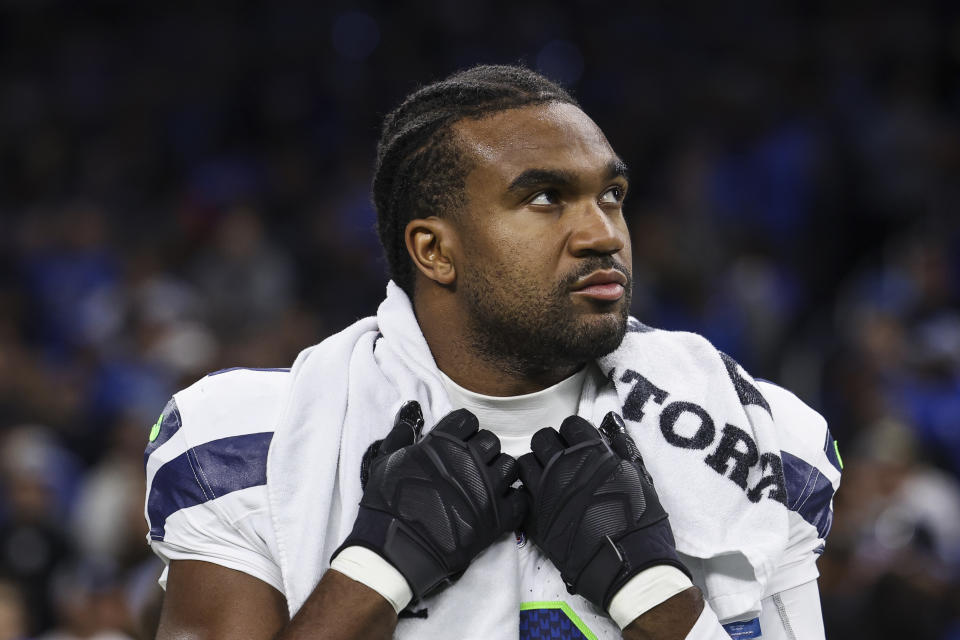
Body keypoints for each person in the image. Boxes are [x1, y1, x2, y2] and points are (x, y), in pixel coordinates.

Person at [143, 65, 841, 639]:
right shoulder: (245, 444)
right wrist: (371, 578)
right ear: (434, 250)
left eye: (613, 195)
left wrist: (657, 599)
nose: (603, 233)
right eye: (545, 198)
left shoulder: (754, 437)